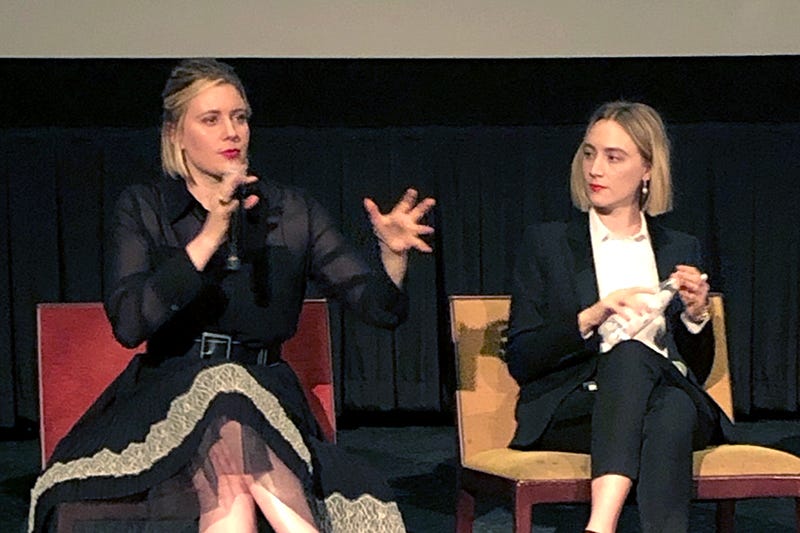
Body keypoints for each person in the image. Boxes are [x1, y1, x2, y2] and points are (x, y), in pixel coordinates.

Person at [28, 58, 435, 533]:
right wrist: (208, 237)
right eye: (211, 119)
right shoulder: (145, 207)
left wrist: (392, 256)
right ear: (176, 134)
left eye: (240, 117)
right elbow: (129, 323)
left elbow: (380, 309)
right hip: (170, 397)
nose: (232, 132)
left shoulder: (290, 210)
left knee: (233, 425)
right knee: (223, 401)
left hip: (266, 394)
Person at [506, 101, 730, 533]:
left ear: (647, 169)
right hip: (576, 406)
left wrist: (696, 317)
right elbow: (522, 357)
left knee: (669, 397)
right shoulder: (548, 244)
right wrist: (591, 316)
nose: (596, 169)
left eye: (614, 158)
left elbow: (696, 371)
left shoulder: (679, 247)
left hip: (665, 392)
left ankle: (600, 525)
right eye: (589, 154)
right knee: (661, 397)